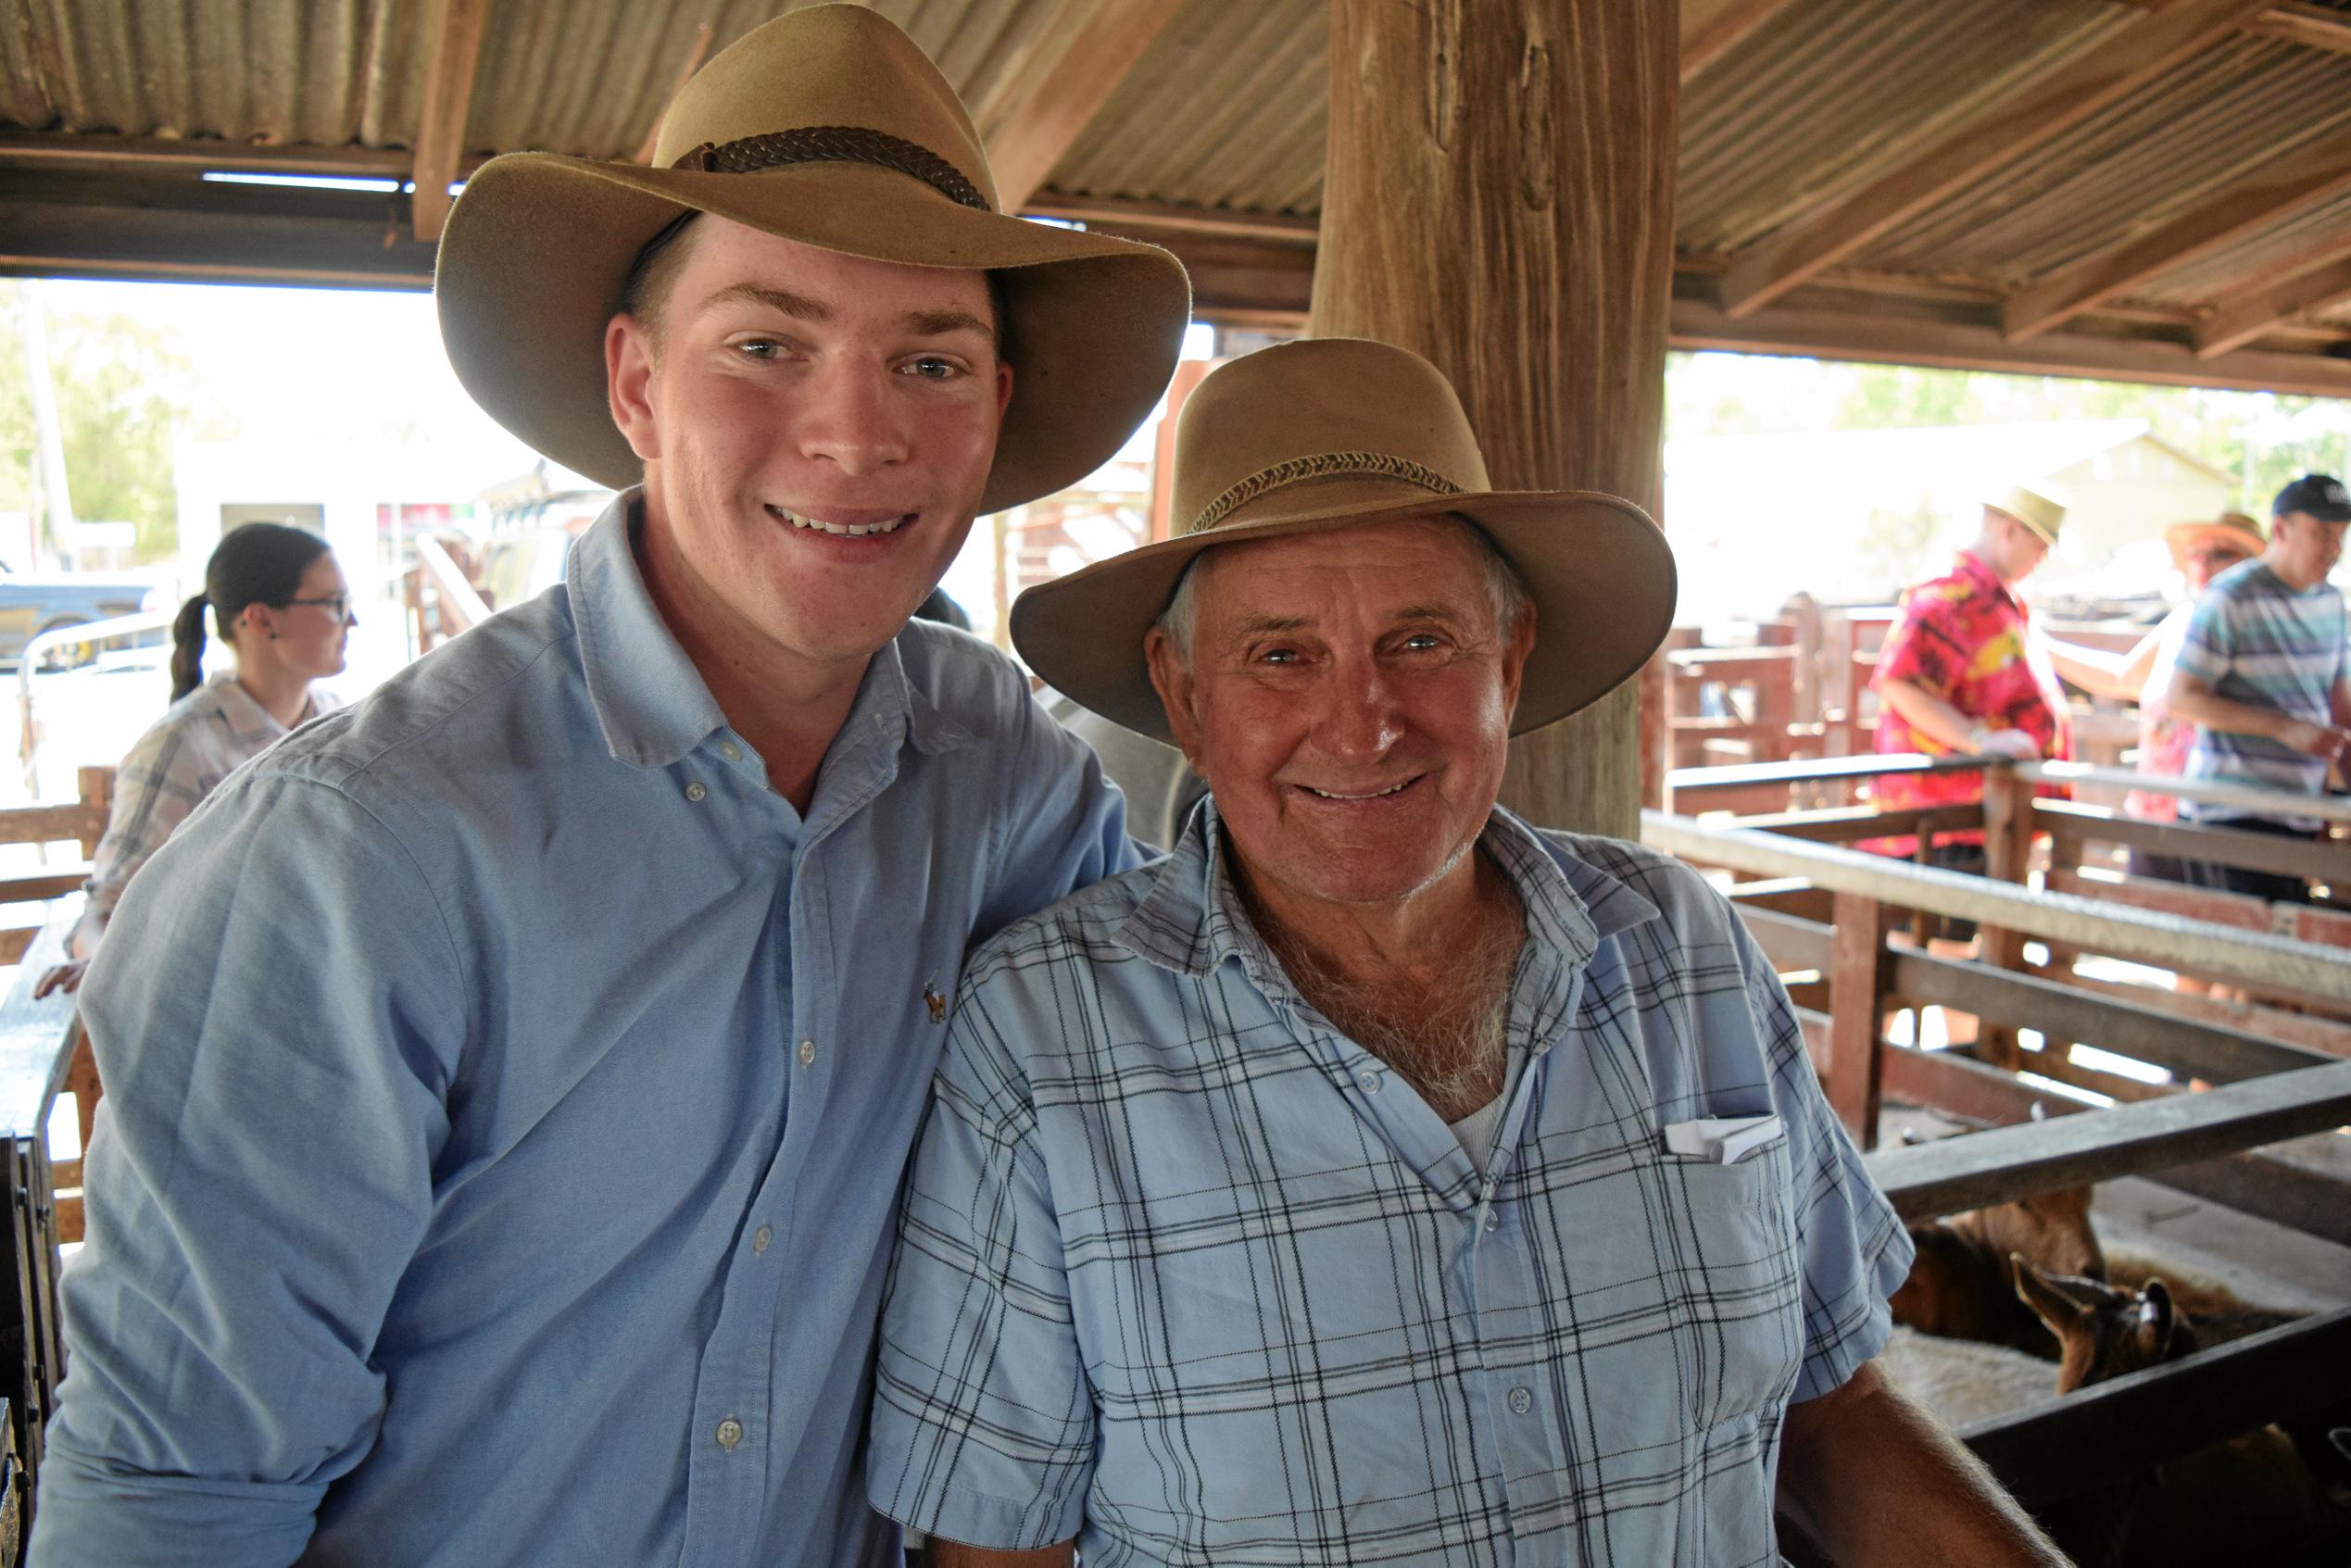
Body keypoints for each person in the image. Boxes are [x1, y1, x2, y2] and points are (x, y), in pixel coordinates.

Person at [30, 8, 1189, 1565]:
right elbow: (174, 1497)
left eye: (929, 359)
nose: (854, 431)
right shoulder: (360, 853)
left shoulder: (1002, 786)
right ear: (636, 387)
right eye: (765, 346)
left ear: (988, 416)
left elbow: (1165, 1104)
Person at [865, 340, 2066, 1567]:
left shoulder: (1678, 949)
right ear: (1181, 693)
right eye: (1280, 653)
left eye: (1422, 640)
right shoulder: (1046, 1037)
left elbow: (1833, 1414)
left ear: (1513, 653)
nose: (1363, 718)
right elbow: (998, 1551)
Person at [36, 522, 353, 997]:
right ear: (263, 620)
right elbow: (107, 912)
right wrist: (109, 968)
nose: (352, 622)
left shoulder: (338, 721)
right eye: (334, 604)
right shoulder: (180, 747)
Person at [2039, 510, 2264, 884]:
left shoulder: (2260, 631)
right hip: (2157, 815)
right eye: (2196, 555)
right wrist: (2039, 644)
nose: (2204, 565)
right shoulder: (2184, 621)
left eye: (2221, 554)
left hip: (2222, 819)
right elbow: (2123, 676)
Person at [1868, 483, 2074, 883]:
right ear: (2009, 529)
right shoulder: (1950, 592)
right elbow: (1899, 683)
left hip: (1985, 812)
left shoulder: (1998, 597)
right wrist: (1977, 739)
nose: (2043, 558)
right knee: (1946, 938)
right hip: (1946, 818)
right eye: (2040, 545)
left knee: (1979, 934)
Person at [2161, 472, 2351, 904]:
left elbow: (2342, 707)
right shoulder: (2231, 599)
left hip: (2302, 810)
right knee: (2245, 958)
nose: (2334, 549)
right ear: (2281, 529)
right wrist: (2283, 728)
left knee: (2244, 952)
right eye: (2321, 533)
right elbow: (2181, 698)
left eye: (2340, 535)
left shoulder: (2332, 604)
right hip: (2231, 810)